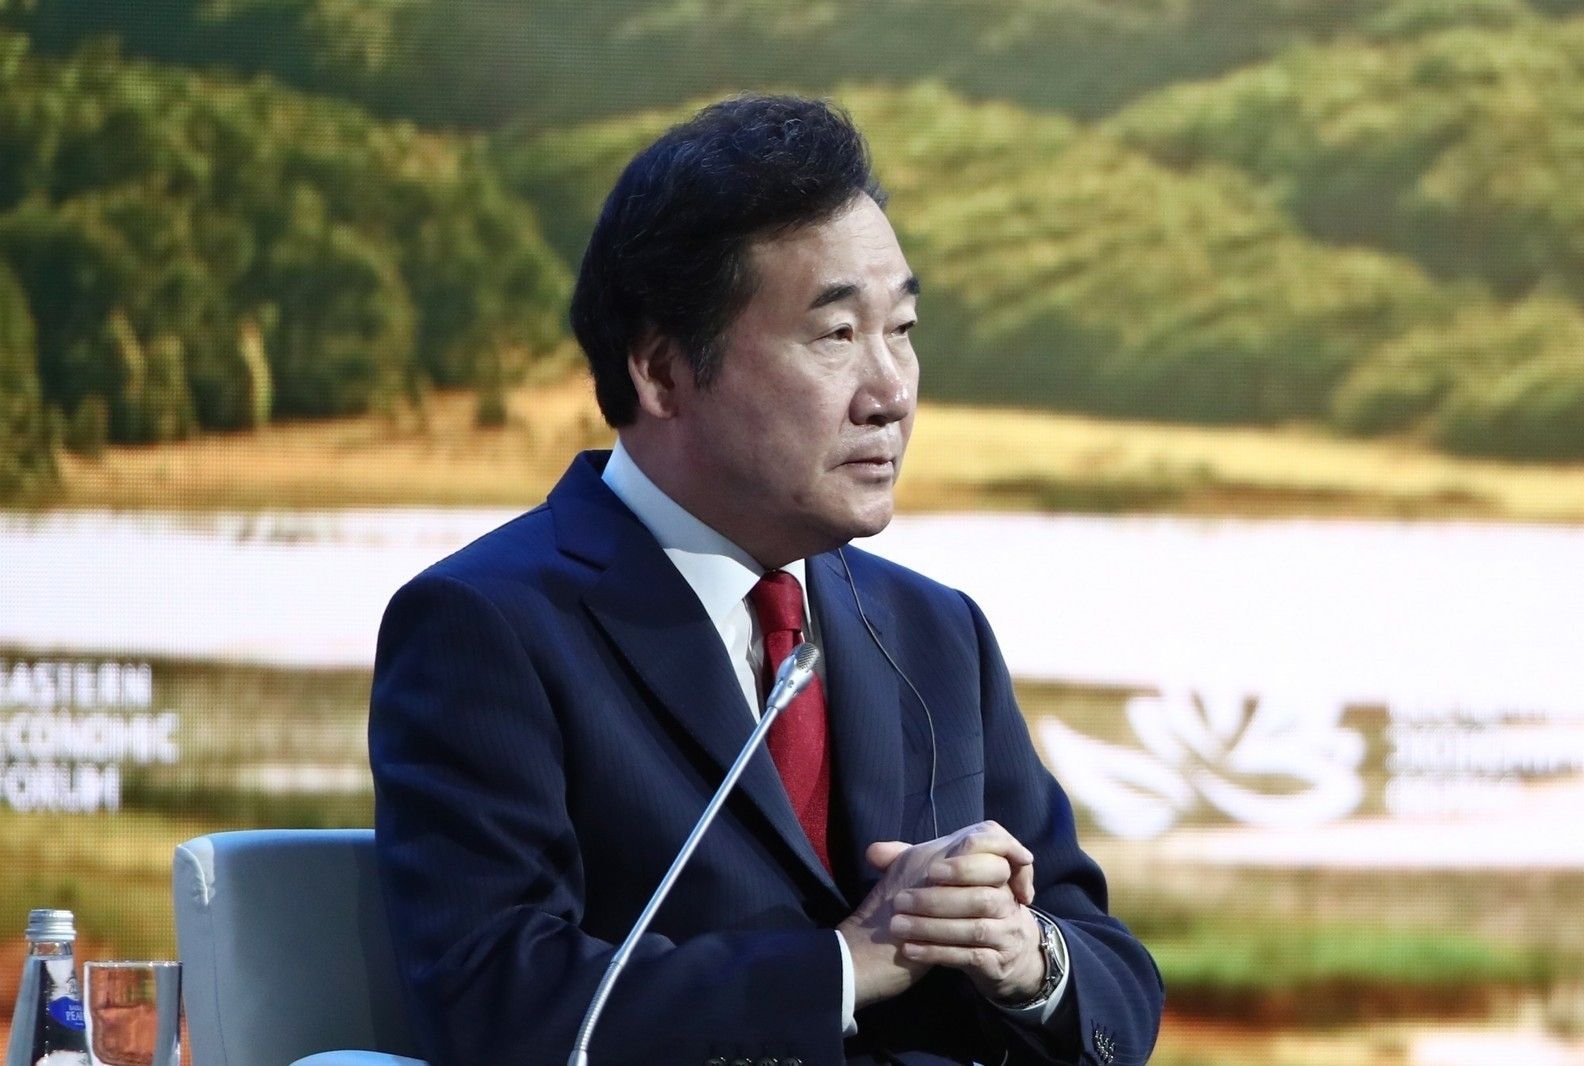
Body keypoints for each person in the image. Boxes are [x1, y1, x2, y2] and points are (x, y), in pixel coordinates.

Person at [370, 95, 1163, 1065]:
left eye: (904, 328)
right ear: (663, 371)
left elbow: (1113, 978)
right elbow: (497, 998)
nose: (891, 392)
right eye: (836, 336)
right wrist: (840, 967)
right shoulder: (488, 625)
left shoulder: (934, 630)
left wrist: (1026, 957)